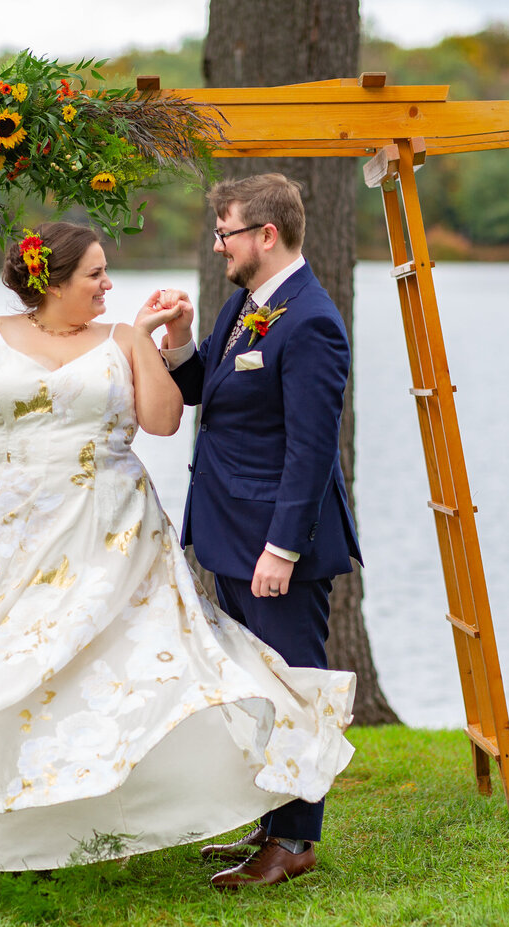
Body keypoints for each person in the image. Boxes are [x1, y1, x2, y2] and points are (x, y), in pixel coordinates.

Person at [0, 221, 355, 880]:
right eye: (95, 275)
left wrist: (149, 342)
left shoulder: (121, 339)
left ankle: (98, 816)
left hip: (108, 527)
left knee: (95, 670)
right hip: (2, 531)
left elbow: (164, 421)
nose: (108, 285)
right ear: (51, 279)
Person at [137, 174, 362, 888]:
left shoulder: (312, 321)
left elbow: (311, 449)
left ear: (266, 235)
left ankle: (295, 840)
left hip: (276, 546)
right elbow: (207, 384)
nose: (217, 244)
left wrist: (282, 549)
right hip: (233, 534)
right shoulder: (246, 304)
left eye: (225, 232)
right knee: (259, 684)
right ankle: (270, 822)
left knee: (295, 684)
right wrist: (176, 341)